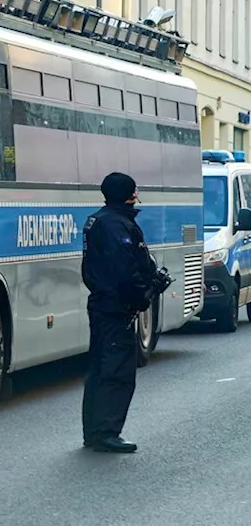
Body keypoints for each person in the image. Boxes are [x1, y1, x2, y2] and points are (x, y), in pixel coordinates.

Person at [80, 172, 160, 453]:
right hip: (116, 309)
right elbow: (125, 269)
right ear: (129, 193)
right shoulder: (117, 225)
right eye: (135, 189)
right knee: (117, 371)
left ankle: (94, 431)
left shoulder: (99, 220)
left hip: (102, 305)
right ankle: (106, 431)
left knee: (100, 368)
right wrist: (145, 293)